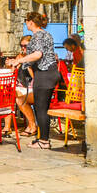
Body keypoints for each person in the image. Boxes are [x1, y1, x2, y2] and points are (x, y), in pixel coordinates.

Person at [7, 11, 60, 150]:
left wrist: (20, 60)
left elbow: (38, 54)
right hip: (51, 73)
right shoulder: (46, 34)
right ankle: (42, 139)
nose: (26, 24)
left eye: (26, 22)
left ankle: (43, 141)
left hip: (44, 74)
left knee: (40, 109)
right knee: (42, 108)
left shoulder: (38, 35)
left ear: (31, 22)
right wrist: (20, 63)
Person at [14, 35, 37, 136]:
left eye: (25, 46)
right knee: (9, 93)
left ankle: (32, 125)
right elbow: (14, 73)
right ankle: (7, 127)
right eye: (21, 46)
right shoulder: (20, 57)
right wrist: (14, 64)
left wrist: (26, 62)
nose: (23, 48)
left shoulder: (36, 58)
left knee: (19, 99)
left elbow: (35, 78)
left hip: (35, 88)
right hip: (23, 87)